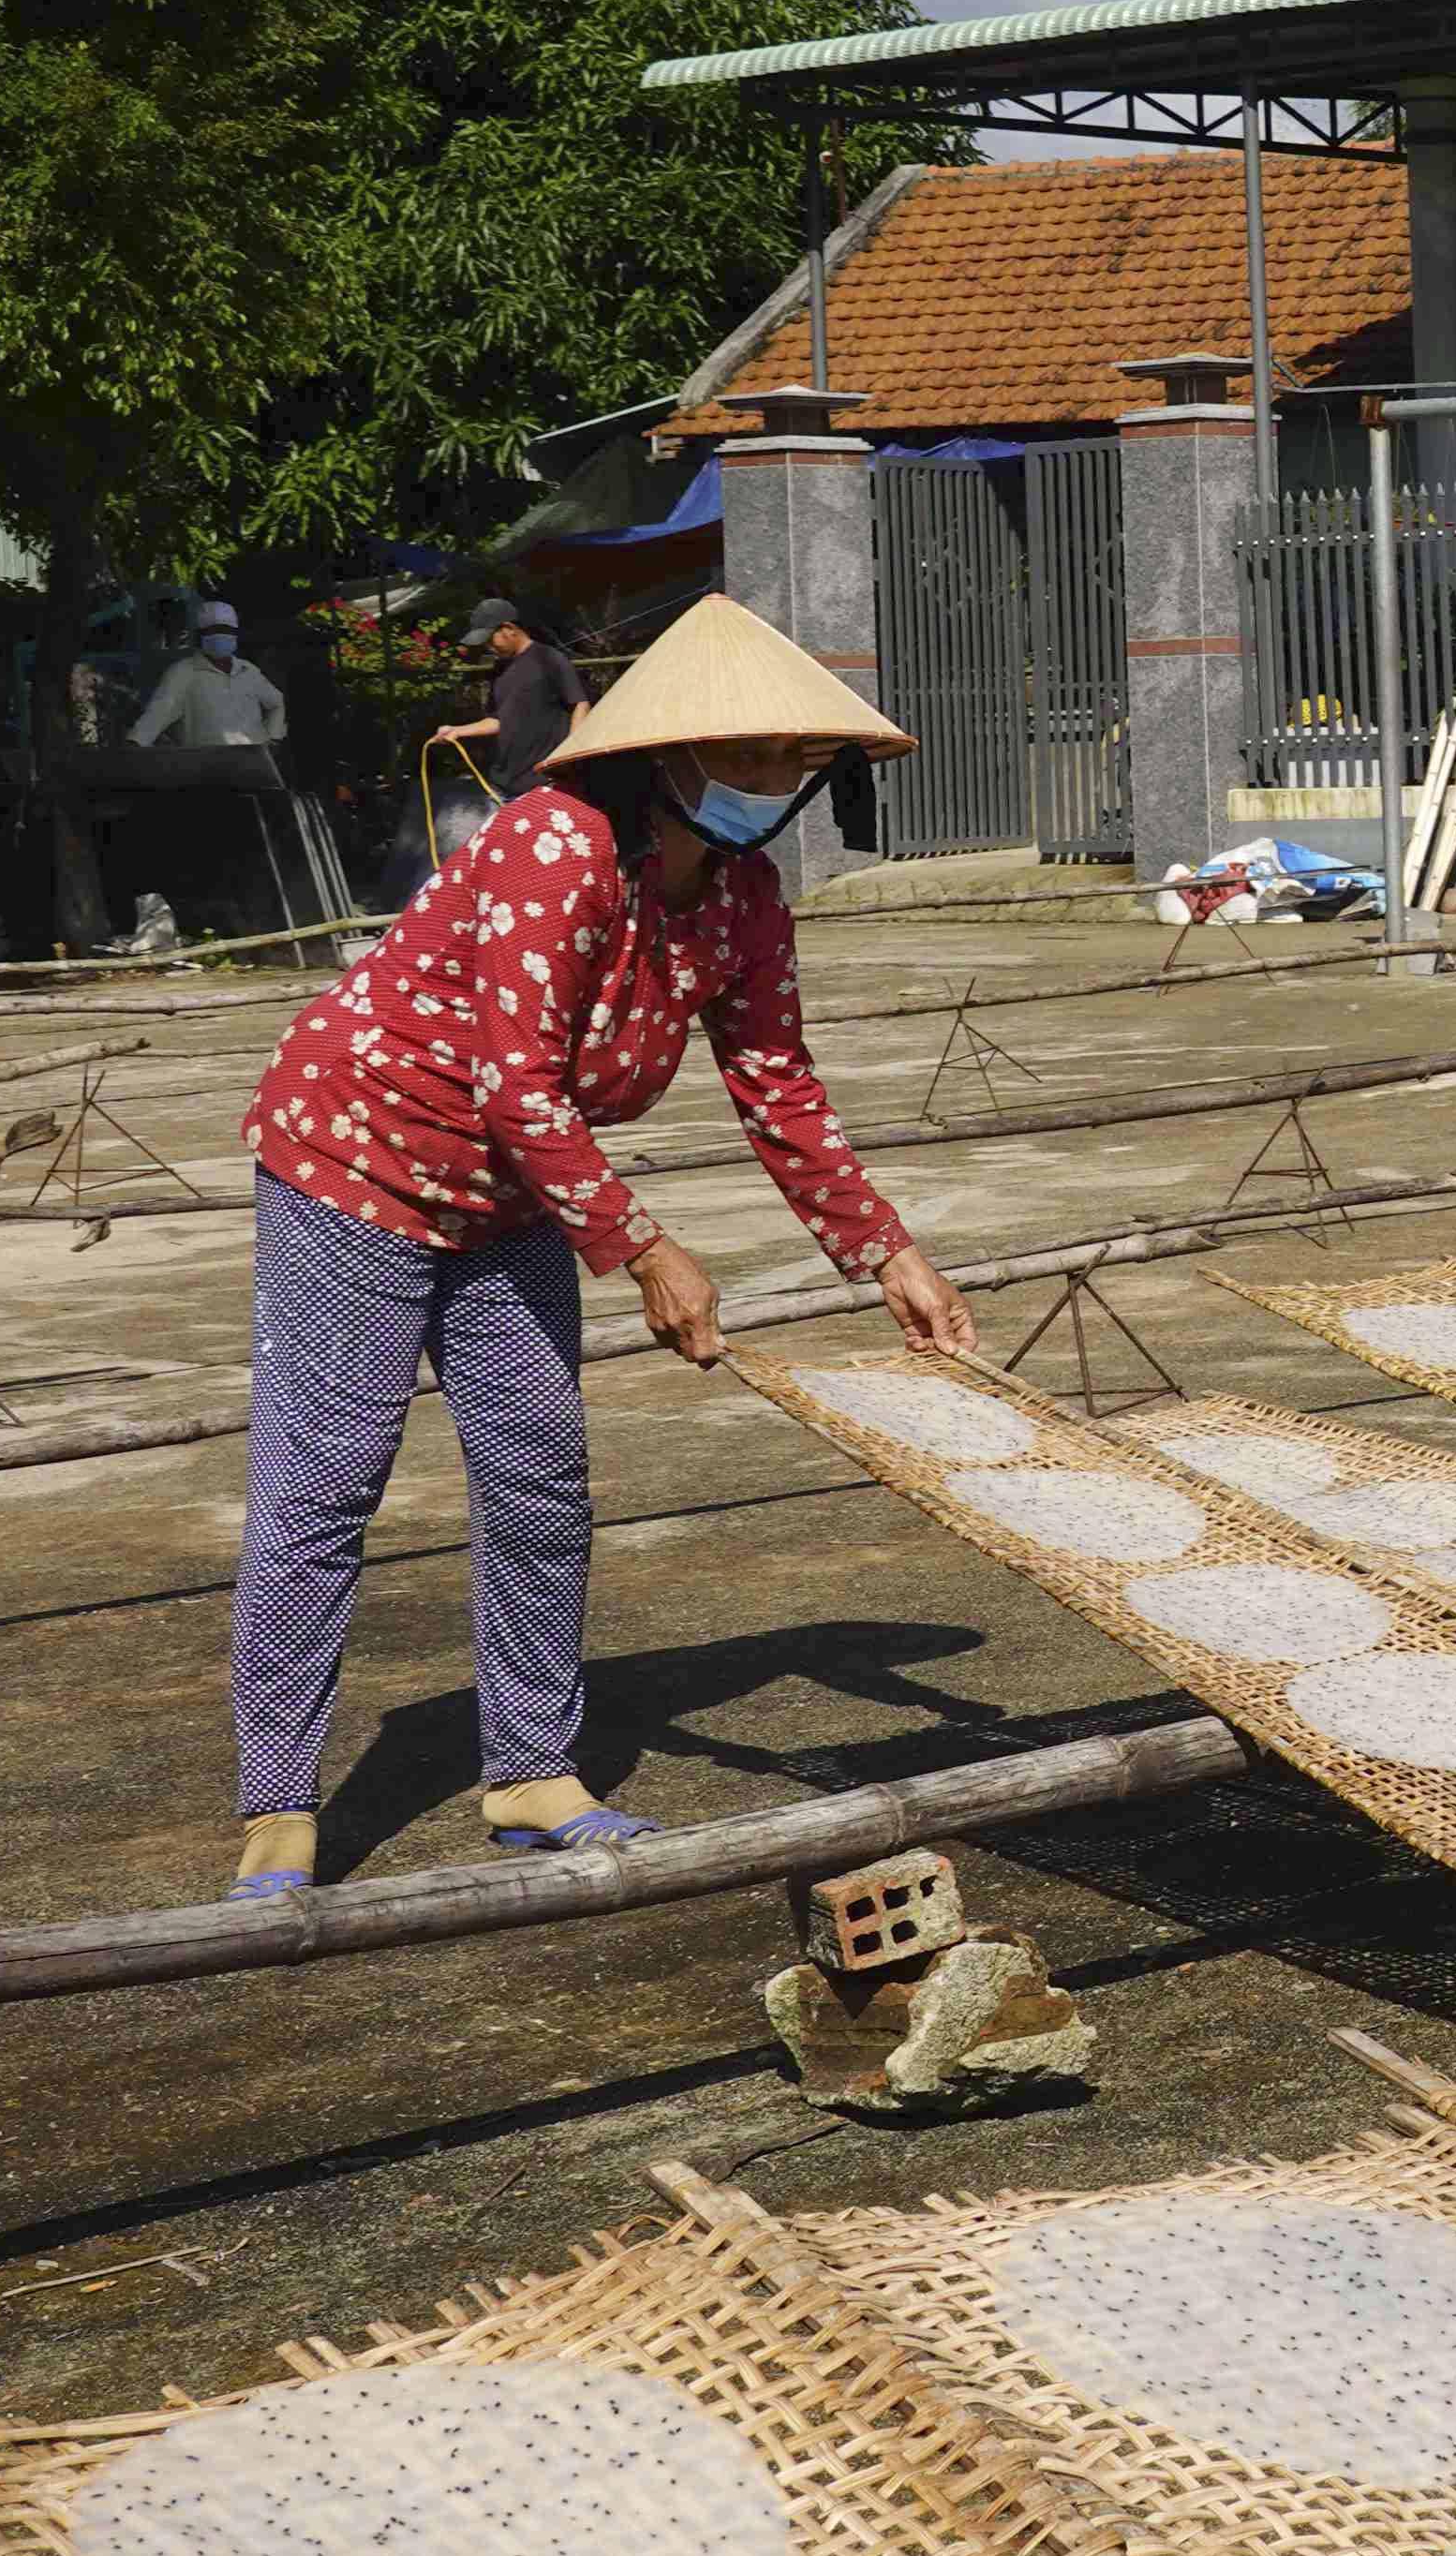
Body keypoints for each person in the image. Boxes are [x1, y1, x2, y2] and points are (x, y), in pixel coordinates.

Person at [223, 597, 973, 1902]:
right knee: (324, 1488)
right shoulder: (556, 844)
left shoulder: (744, 897)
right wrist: (645, 1250)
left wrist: (886, 1253)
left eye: (789, 760)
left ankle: (529, 1771)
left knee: (539, 1473)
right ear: (668, 753)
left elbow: (778, 1082)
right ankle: (278, 1808)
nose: (768, 780)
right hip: (360, 1160)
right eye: (742, 755)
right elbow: (515, 1080)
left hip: (516, 1201)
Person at [456, 596, 586, 794]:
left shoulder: (549, 658)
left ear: (509, 628)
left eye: (490, 640)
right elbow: (497, 720)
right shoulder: (499, 669)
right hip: (503, 784)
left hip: (544, 782)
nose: (489, 647)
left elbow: (580, 704)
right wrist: (457, 731)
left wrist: (570, 754)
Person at [127, 598, 290, 748]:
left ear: (235, 634)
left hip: (256, 760)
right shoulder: (182, 672)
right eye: (212, 631)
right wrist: (134, 743)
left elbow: (276, 703)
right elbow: (157, 714)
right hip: (207, 763)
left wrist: (273, 737)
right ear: (200, 636)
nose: (220, 635)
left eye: (226, 630)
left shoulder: (248, 671)